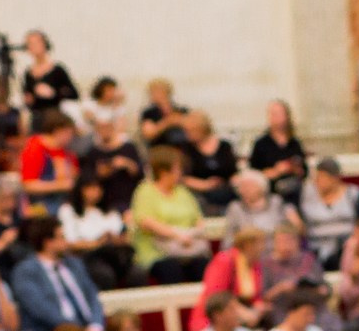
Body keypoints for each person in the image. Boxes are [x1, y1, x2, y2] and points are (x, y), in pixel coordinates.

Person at [11, 215, 108, 331]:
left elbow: (92, 295)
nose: (66, 241)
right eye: (61, 237)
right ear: (47, 242)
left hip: (89, 330)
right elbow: (41, 309)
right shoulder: (26, 271)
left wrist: (96, 326)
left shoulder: (74, 264)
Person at [129, 147, 210, 284]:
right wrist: (176, 235)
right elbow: (145, 221)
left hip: (188, 247)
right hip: (157, 250)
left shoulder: (182, 191)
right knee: (171, 268)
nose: (181, 172)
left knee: (203, 265)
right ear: (163, 171)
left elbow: (198, 218)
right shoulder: (145, 190)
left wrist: (192, 234)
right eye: (177, 168)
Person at [60, 172, 135, 291]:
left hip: (115, 255)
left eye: (98, 187)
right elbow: (70, 243)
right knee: (104, 275)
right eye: (90, 187)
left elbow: (125, 238)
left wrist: (116, 239)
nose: (95, 191)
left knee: (137, 273)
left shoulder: (110, 212)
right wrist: (98, 243)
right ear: (80, 189)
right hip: (88, 257)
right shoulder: (68, 211)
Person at [193, 227, 267, 331]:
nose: (264, 248)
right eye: (261, 243)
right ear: (248, 245)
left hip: (242, 319)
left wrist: (258, 307)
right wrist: (242, 312)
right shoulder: (225, 260)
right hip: (216, 319)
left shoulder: (256, 264)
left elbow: (256, 295)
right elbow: (215, 296)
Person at [301, 157, 359, 268]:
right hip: (315, 245)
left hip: (346, 245)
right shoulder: (306, 194)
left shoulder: (353, 194)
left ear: (335, 178)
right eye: (317, 177)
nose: (318, 181)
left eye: (323, 177)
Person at [16, 110, 79, 212]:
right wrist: (61, 185)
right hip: (39, 207)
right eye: (69, 133)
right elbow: (28, 185)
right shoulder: (35, 148)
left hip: (62, 206)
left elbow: (74, 175)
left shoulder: (66, 152)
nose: (71, 138)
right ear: (58, 131)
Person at [249, 99, 308, 202]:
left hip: (295, 189)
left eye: (280, 114)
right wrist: (277, 171)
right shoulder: (261, 144)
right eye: (274, 114)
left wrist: (294, 169)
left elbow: (304, 170)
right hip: (271, 191)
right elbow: (253, 174)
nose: (277, 118)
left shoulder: (294, 143)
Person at [181, 112, 239, 215]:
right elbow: (183, 177)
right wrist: (206, 185)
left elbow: (234, 173)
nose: (187, 134)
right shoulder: (186, 149)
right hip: (199, 191)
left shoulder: (224, 146)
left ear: (201, 129)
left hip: (226, 189)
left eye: (190, 131)